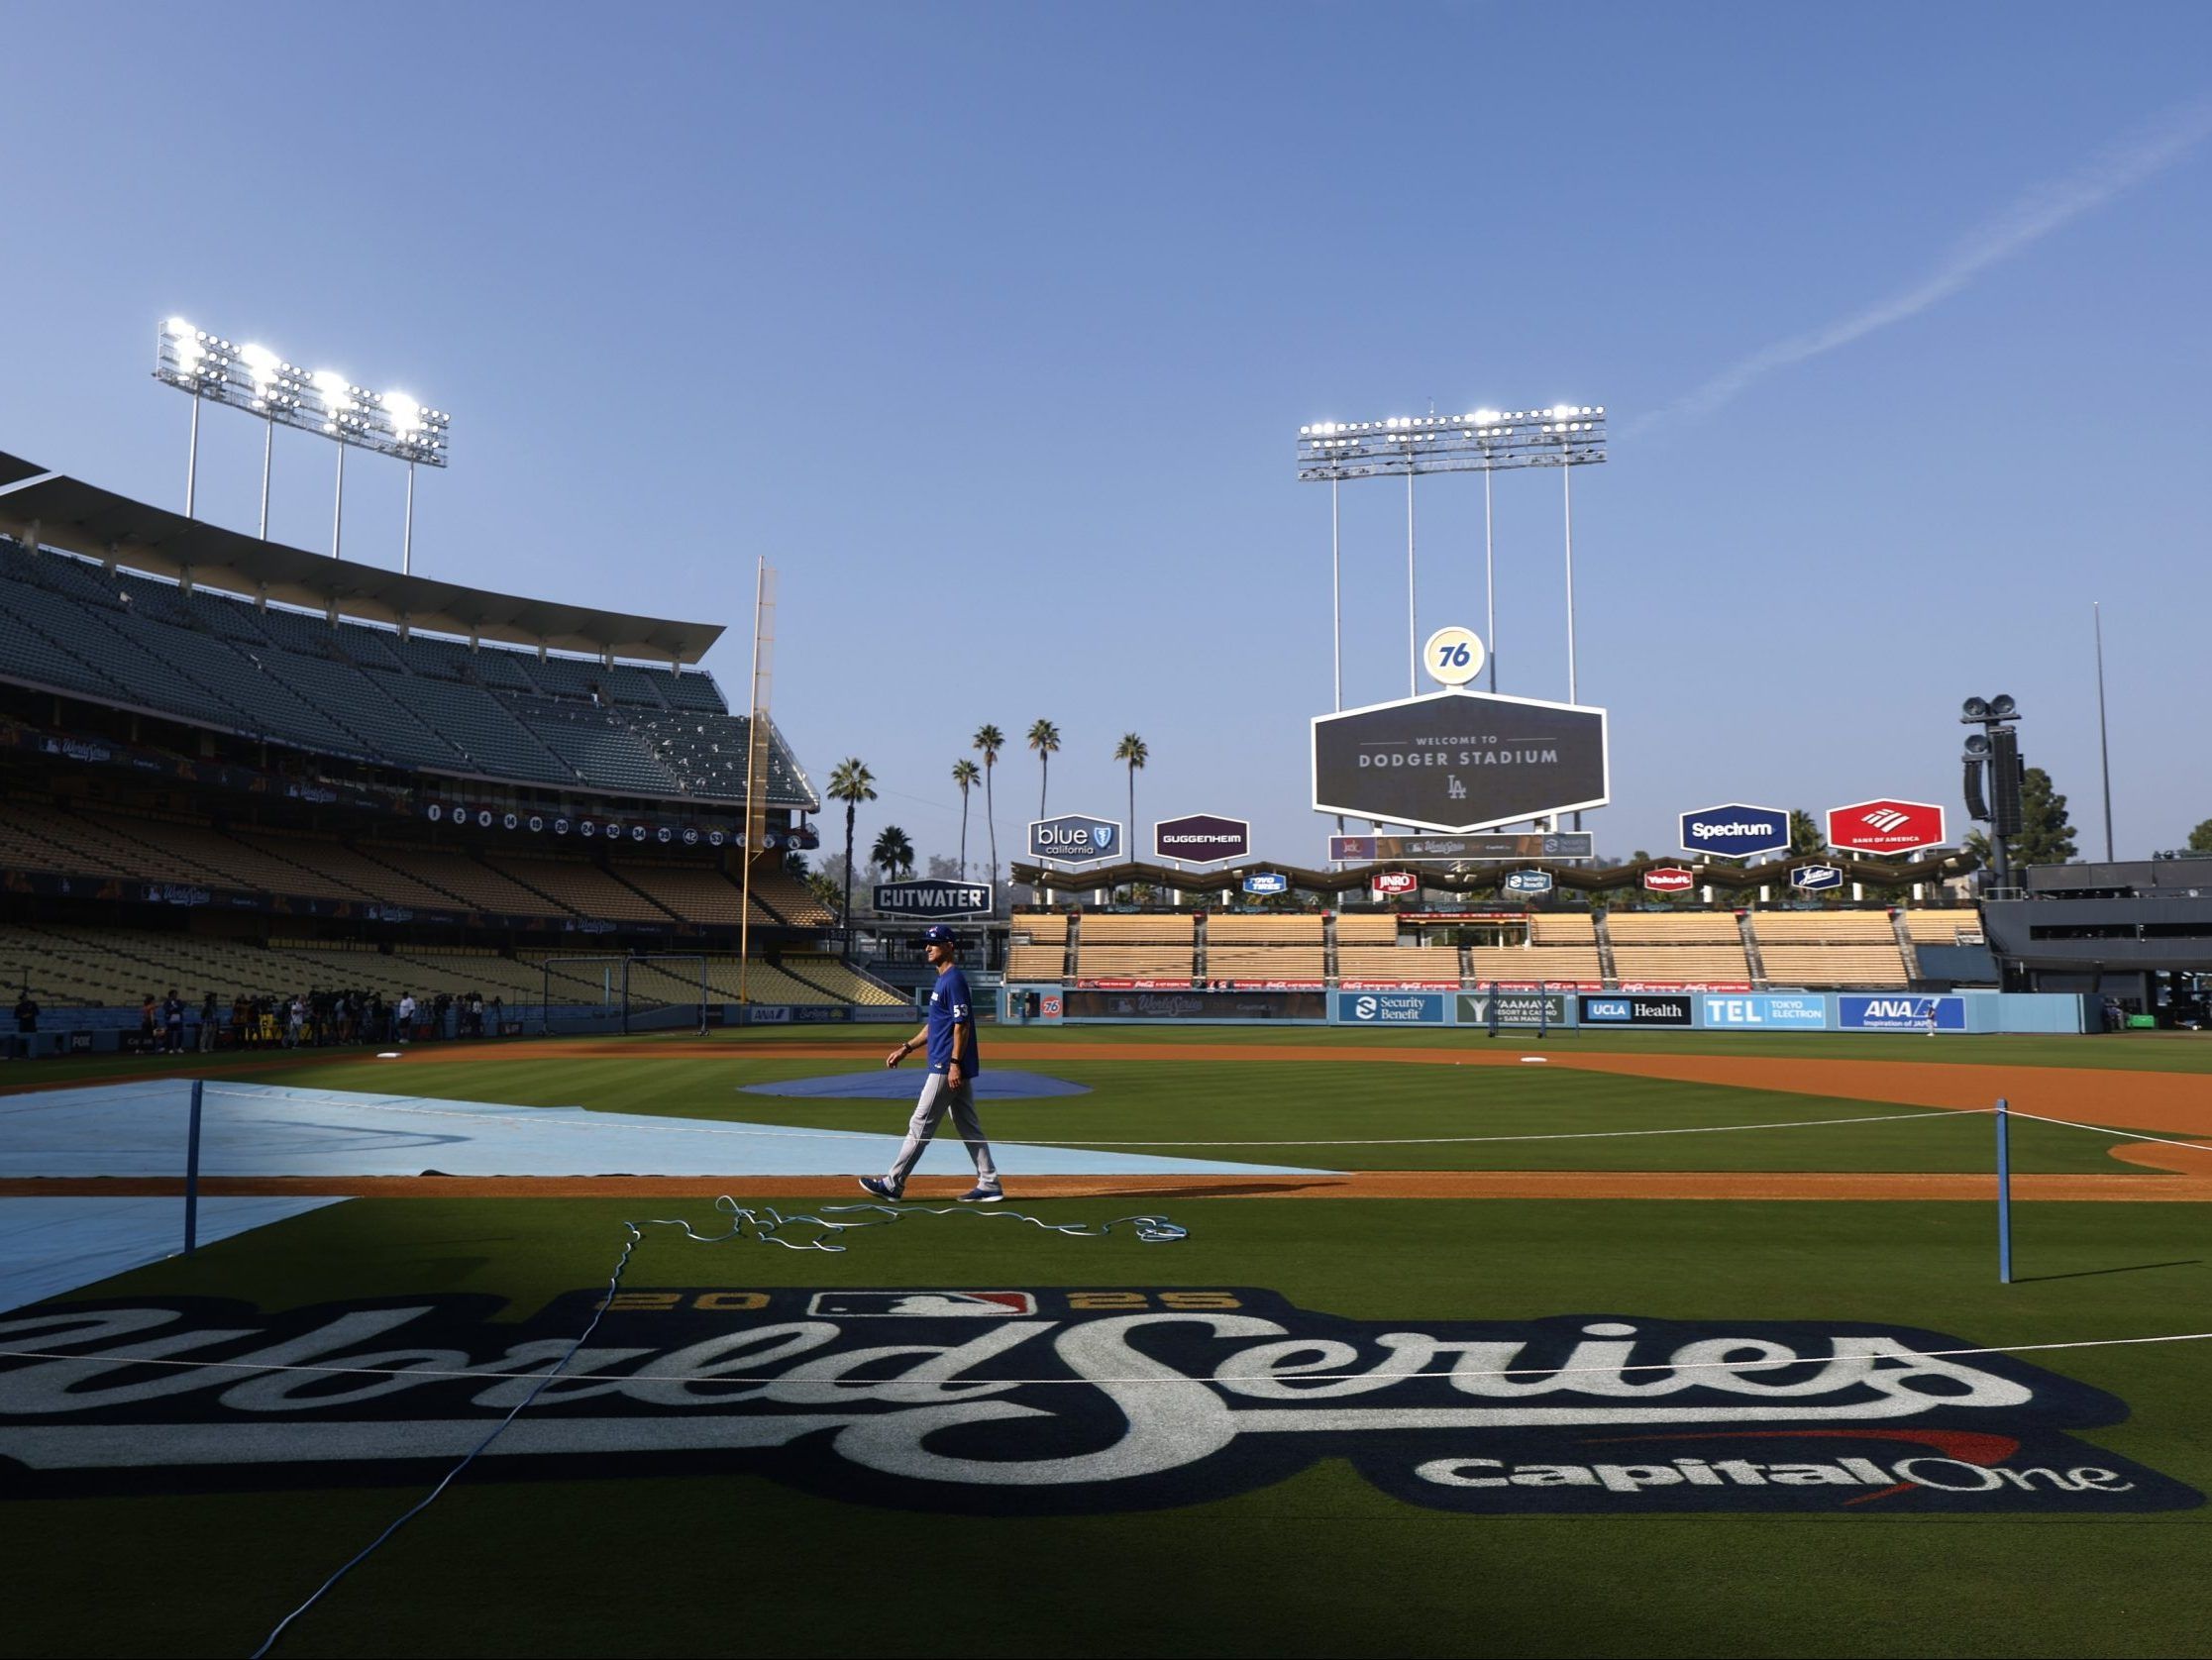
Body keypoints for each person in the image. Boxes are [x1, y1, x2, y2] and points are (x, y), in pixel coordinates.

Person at [859, 924, 1001, 1203]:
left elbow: (962, 1027)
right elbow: (935, 1027)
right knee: (967, 1125)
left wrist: (954, 1064)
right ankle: (989, 1183)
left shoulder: (954, 980)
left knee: (920, 1123)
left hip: (944, 1067)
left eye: (933, 943)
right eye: (927, 943)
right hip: (948, 1064)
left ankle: (893, 1184)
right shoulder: (943, 980)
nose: (927, 947)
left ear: (949, 946)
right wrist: (906, 1048)